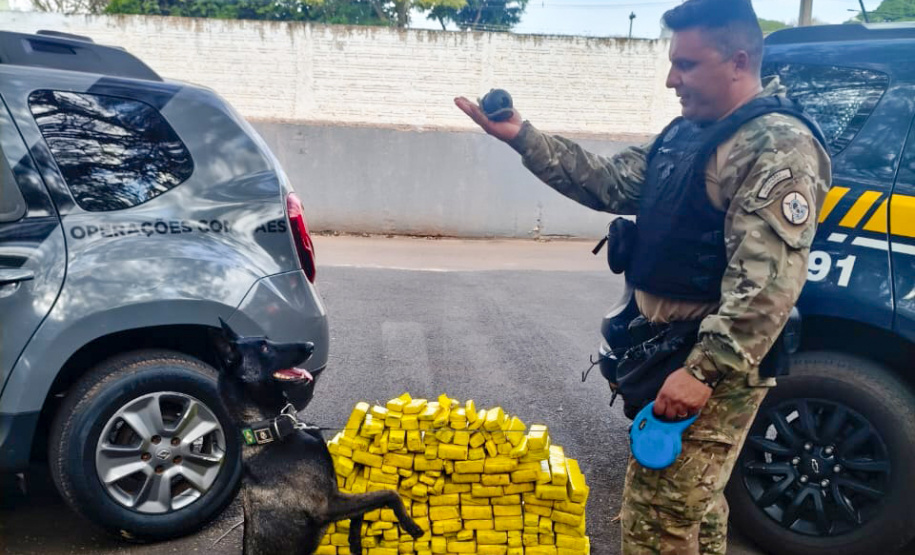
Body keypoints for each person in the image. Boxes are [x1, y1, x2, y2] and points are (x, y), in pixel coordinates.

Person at [454, 0, 832, 553]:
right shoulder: (688, 133)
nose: (670, 79)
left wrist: (701, 373)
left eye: (686, 65)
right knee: (696, 510)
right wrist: (521, 137)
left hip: (712, 364)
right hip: (668, 350)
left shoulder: (777, 145)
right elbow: (610, 182)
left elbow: (768, 283)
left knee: (656, 521)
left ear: (738, 61)